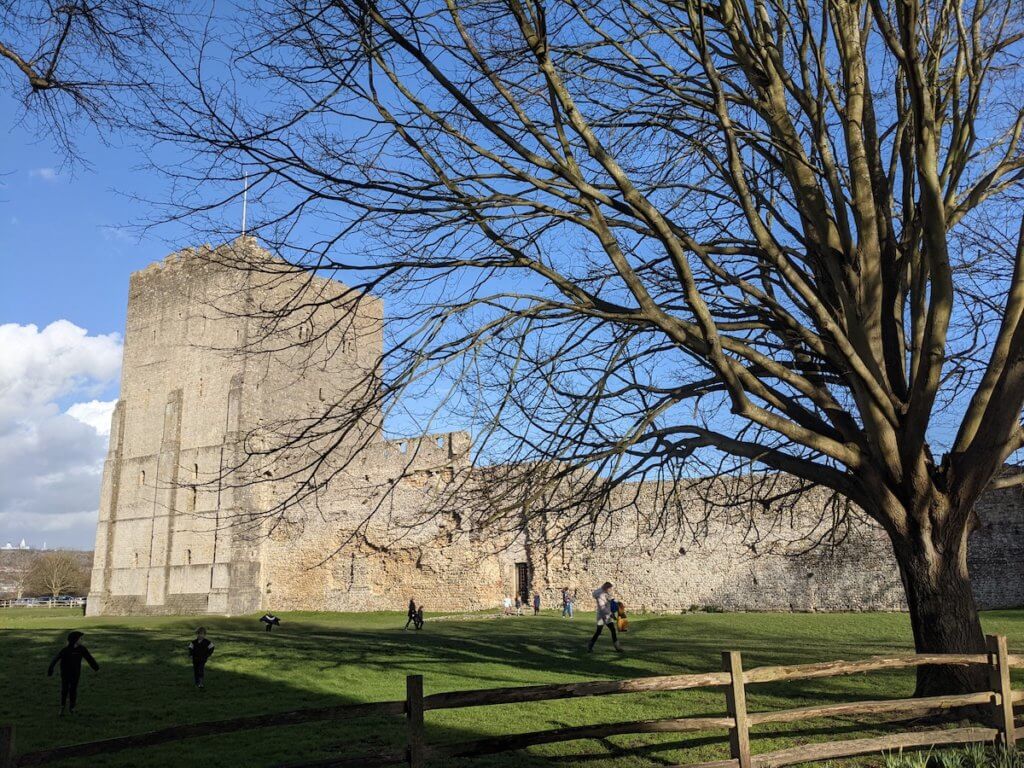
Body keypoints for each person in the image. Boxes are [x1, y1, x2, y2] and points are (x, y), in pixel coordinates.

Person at [47, 630, 99, 715]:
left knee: (73, 690)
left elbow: (89, 658)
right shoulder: (65, 650)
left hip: (76, 673)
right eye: (80, 638)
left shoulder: (82, 649)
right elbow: (56, 659)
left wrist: (96, 667)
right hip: (65, 673)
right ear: (75, 640)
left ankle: (72, 707)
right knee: (65, 689)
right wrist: (50, 669)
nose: (82, 640)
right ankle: (62, 707)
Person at [587, 582, 623, 653]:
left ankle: (590, 646)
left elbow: (610, 600)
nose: (610, 590)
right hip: (603, 616)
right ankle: (617, 647)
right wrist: (611, 614)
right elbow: (602, 607)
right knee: (602, 631)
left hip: (606, 615)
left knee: (604, 631)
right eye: (609, 588)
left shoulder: (605, 592)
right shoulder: (599, 595)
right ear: (606, 587)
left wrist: (616, 603)